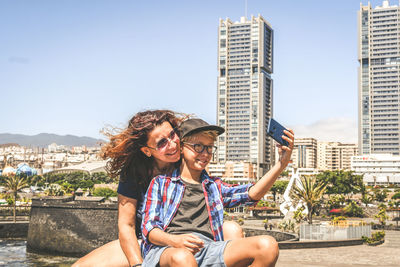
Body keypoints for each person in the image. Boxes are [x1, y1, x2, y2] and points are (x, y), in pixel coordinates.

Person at [73, 110, 243, 267]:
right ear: (147, 150)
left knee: (232, 229)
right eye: (162, 143)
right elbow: (126, 226)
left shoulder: (188, 160)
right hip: (147, 240)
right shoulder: (133, 172)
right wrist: (137, 264)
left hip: (185, 236)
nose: (172, 144)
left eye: (172, 135)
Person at [141, 118, 294, 267]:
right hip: (169, 249)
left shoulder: (214, 186)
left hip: (208, 249)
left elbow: (252, 194)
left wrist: (281, 164)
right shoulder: (161, 183)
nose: (205, 153)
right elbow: (150, 229)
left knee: (267, 246)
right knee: (182, 258)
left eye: (209, 147)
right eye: (198, 146)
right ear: (181, 147)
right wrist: (175, 241)